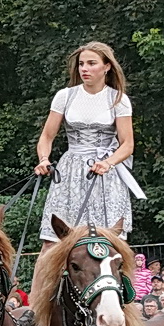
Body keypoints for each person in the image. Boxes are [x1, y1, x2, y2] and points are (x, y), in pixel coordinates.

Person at [33, 41, 137, 243]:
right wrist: (44, 159)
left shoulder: (118, 99)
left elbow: (127, 144)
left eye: (91, 63)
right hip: (70, 170)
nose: (84, 69)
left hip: (105, 171)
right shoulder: (65, 96)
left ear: (107, 66)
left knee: (111, 241)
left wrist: (108, 163)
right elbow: (46, 136)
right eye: (81, 64)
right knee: (53, 240)